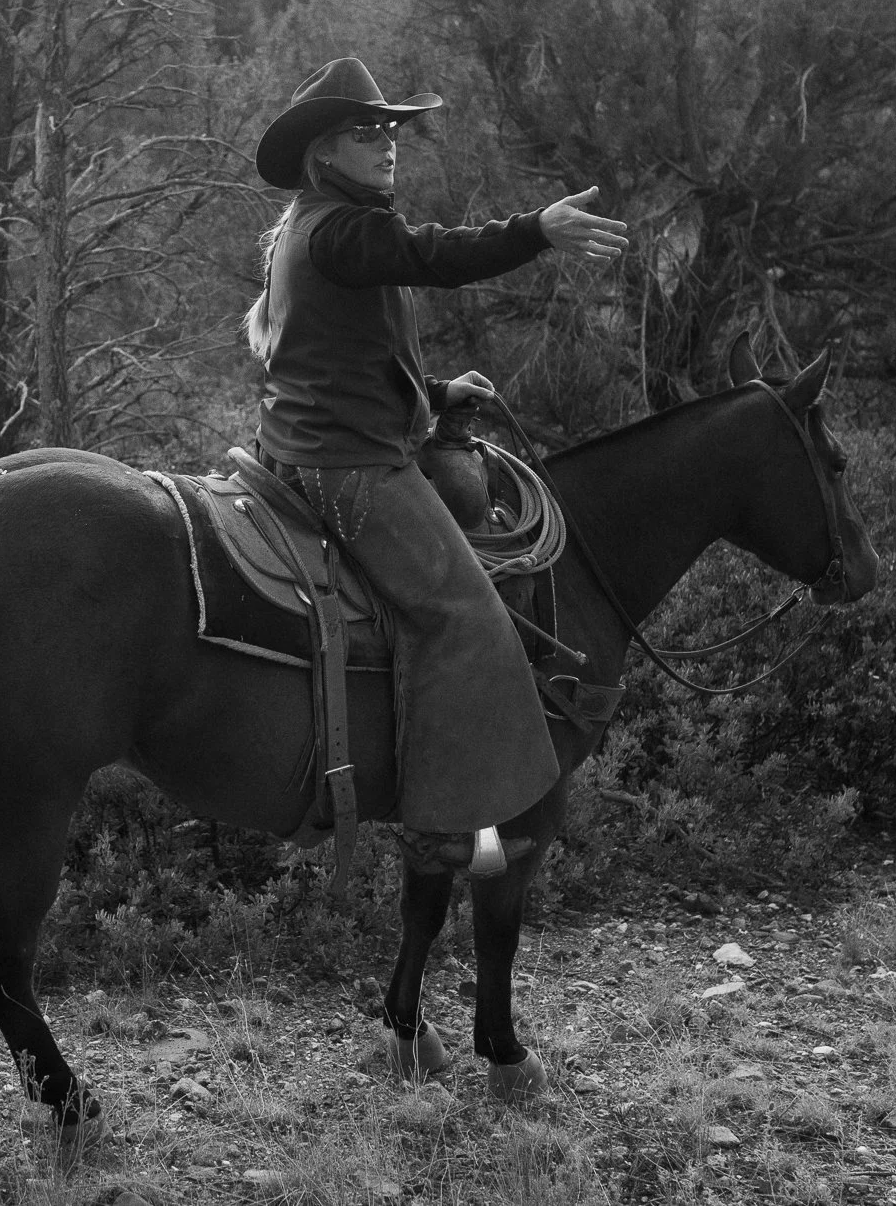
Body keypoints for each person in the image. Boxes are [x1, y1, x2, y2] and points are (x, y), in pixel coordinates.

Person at [245, 56, 626, 876]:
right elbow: (437, 254)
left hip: (314, 443)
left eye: (390, 130)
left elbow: (335, 357)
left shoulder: (312, 224)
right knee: (466, 614)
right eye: (365, 131)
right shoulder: (347, 229)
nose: (386, 144)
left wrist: (436, 390)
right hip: (349, 465)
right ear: (323, 150)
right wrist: (539, 230)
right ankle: (446, 824)